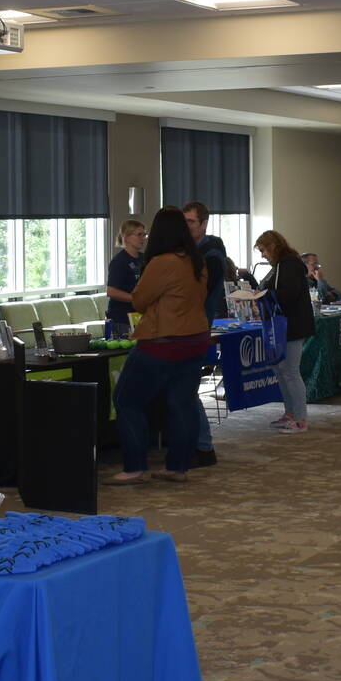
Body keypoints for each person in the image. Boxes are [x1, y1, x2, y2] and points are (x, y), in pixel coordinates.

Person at [110, 206, 211, 485]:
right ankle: (177, 467)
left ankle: (133, 467)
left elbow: (139, 299)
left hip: (161, 342)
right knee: (183, 404)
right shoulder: (196, 260)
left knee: (126, 399)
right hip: (195, 339)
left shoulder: (162, 262)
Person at [181, 201, 231, 468]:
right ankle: (196, 443)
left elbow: (200, 290)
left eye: (191, 221)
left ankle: (203, 445)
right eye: (184, 221)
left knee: (187, 388)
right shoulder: (185, 250)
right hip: (185, 326)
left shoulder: (211, 254)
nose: (186, 226)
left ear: (203, 224)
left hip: (196, 326)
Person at [253, 230, 314, 432]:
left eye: (263, 250)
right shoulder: (280, 265)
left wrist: (262, 296)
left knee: (291, 372)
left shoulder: (289, 264)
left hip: (292, 325)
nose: (262, 255)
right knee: (280, 370)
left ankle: (300, 419)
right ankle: (290, 413)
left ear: (273, 247)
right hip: (282, 325)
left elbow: (287, 295)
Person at [105, 218, 146, 339]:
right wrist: (134, 299)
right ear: (127, 237)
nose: (143, 238)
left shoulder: (144, 259)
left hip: (139, 315)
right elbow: (111, 291)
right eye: (139, 235)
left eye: (144, 235)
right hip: (122, 318)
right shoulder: (119, 261)